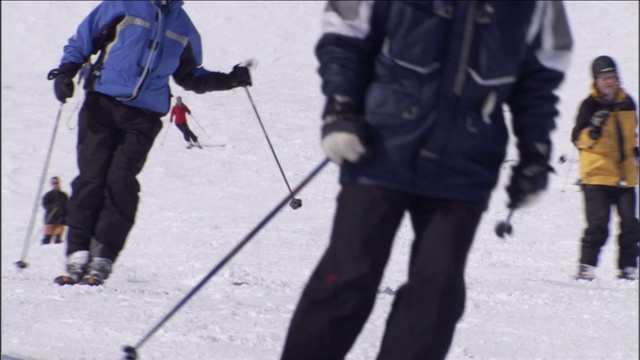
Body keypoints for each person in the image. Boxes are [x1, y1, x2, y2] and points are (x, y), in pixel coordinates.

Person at [280, 2, 572, 359]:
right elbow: (345, 34)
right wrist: (341, 107)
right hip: (380, 146)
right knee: (348, 273)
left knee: (436, 292)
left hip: (466, 163)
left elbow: (540, 78)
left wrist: (535, 154)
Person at [48, 0, 252, 285]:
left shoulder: (183, 27)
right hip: (102, 104)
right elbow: (83, 40)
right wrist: (65, 72)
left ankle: (104, 255)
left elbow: (191, 77)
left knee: (121, 180)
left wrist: (230, 80)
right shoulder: (120, 6)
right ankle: (78, 252)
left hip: (144, 114)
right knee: (93, 177)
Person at [571, 55, 640, 281]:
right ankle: (586, 267)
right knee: (598, 225)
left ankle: (628, 268)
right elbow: (578, 139)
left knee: (631, 224)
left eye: (612, 77)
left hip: (625, 176)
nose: (609, 82)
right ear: (596, 81)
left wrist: (635, 152)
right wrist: (593, 131)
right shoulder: (589, 105)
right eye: (604, 78)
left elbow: (631, 136)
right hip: (597, 177)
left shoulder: (627, 102)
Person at [41, 176, 69, 245]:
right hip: (51, 218)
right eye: (54, 183)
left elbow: (67, 206)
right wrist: (53, 206)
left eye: (57, 183)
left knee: (58, 238)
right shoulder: (48, 195)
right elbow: (45, 205)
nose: (55, 184)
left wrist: (66, 216)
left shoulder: (63, 195)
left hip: (61, 218)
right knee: (47, 238)